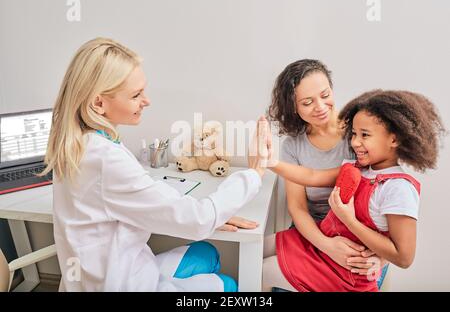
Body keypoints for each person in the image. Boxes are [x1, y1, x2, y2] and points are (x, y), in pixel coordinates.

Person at [40, 37, 265, 292]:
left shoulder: (78, 142)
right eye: (136, 95)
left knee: (207, 253)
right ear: (99, 103)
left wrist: (211, 213)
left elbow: (131, 200)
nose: (146, 101)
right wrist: (254, 173)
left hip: (112, 272)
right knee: (228, 286)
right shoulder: (105, 159)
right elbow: (198, 221)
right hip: (120, 284)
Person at [261, 89, 445, 291]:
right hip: (323, 248)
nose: (355, 142)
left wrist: (349, 219)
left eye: (364, 135)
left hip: (344, 273)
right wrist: (270, 161)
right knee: (258, 247)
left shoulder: (399, 189)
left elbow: (404, 257)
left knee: (261, 269)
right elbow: (312, 176)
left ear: (394, 139)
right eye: (354, 134)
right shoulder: (357, 167)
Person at [264, 59, 386, 291]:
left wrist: (381, 257)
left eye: (325, 94)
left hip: (356, 238)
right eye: (307, 102)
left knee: (264, 271)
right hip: (315, 233)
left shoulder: (358, 132)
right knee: (252, 252)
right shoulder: (293, 145)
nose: (320, 106)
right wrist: (328, 245)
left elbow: (387, 196)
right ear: (294, 107)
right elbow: (298, 208)